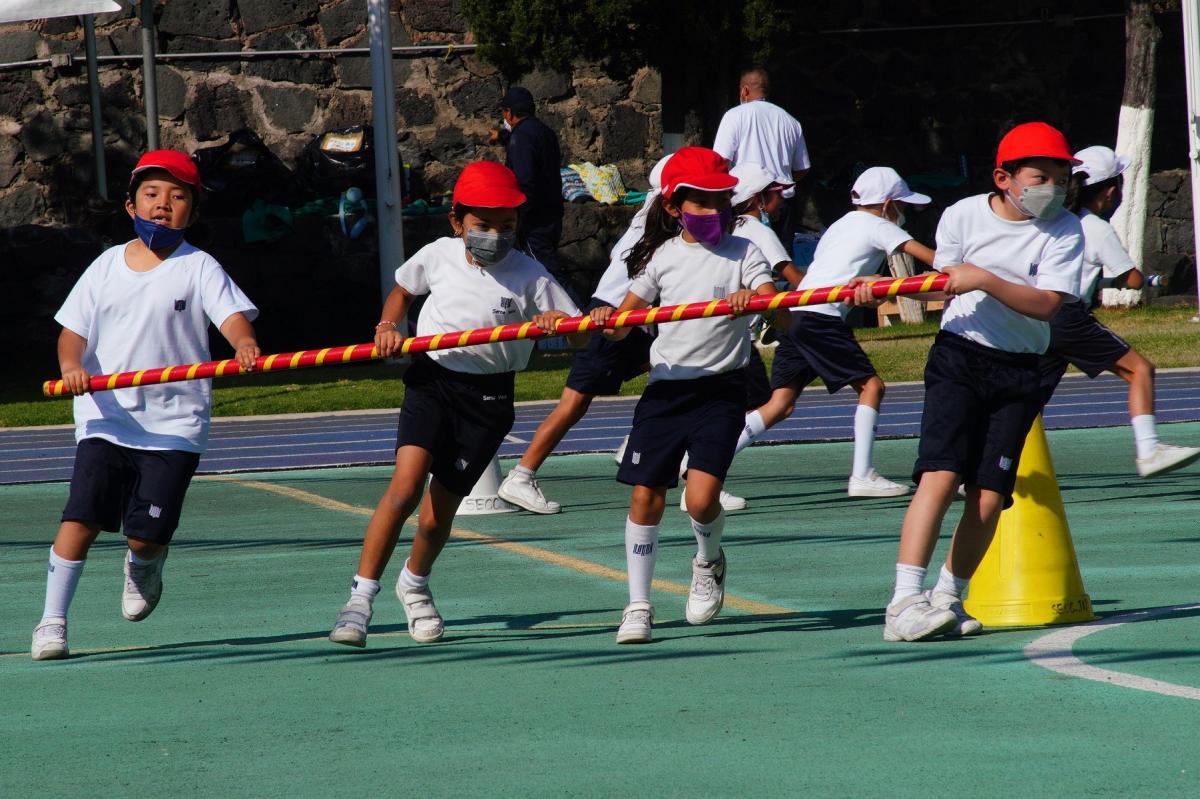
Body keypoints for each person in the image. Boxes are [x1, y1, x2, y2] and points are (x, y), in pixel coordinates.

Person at [328, 161, 585, 648]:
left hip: (488, 398)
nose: (495, 235)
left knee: (435, 516)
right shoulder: (439, 255)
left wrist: (557, 321)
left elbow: (573, 328)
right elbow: (403, 290)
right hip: (432, 380)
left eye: (506, 226)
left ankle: (416, 585)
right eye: (483, 225)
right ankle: (359, 600)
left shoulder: (529, 273)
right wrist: (388, 327)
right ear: (457, 222)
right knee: (403, 489)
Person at [31, 149, 260, 661]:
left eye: (178, 197)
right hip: (106, 418)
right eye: (152, 195)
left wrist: (242, 342)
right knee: (81, 518)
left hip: (174, 424)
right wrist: (73, 367)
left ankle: (145, 564)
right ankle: (51, 621)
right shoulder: (105, 266)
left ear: (192, 213)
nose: (163, 206)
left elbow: (232, 318)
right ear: (130, 205)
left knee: (144, 537)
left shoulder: (199, 267)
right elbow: (72, 334)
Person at [870, 122, 1084, 642]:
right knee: (939, 476)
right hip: (960, 357)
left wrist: (985, 277)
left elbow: (1048, 304)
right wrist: (877, 289)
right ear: (1004, 178)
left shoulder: (1066, 229)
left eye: (1061, 178)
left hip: (1020, 369)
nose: (1052, 187)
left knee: (989, 494)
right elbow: (938, 288)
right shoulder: (963, 215)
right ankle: (903, 601)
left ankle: (948, 595)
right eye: (1040, 176)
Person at [590, 147, 775, 644]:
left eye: (722, 203)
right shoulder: (661, 257)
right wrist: (609, 322)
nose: (715, 213)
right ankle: (638, 605)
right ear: (674, 208)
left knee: (701, 498)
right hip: (667, 389)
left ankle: (708, 561)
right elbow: (625, 320)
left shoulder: (744, 251)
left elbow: (765, 290)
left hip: (722, 388)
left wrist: (751, 298)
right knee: (645, 495)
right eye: (703, 204)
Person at [729, 167, 935, 499]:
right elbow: (935, 261)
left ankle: (705, 464)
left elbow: (852, 286)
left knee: (780, 403)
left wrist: (878, 291)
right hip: (821, 318)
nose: (904, 211)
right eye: (901, 204)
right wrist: (970, 271)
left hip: (798, 315)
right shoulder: (878, 225)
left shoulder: (840, 225)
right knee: (872, 387)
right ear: (886, 204)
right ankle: (863, 474)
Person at [496, 156, 669, 515]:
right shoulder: (661, 223)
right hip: (613, 314)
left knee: (671, 364)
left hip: (630, 318)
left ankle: (640, 443)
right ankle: (522, 475)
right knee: (573, 403)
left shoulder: (655, 217)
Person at [1039, 145, 1200, 477]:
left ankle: (975, 468)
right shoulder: (1095, 227)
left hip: (1039, 316)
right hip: (1069, 317)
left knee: (1026, 399)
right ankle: (1149, 449)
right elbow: (1133, 277)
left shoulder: (1056, 223)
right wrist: (1139, 280)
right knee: (1140, 370)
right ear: (1110, 190)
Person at [713, 67, 811, 249]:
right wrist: (781, 178)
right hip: (782, 200)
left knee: (745, 258)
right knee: (782, 264)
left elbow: (720, 162)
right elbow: (802, 168)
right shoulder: (790, 121)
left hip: (747, 201)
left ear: (744, 90)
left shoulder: (734, 116)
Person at [489, 86, 566, 284]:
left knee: (548, 276)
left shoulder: (521, 136)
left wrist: (518, 219)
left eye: (505, 112)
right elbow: (526, 146)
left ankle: (578, 312)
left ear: (510, 113)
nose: (505, 117)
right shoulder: (544, 132)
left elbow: (525, 181)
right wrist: (502, 137)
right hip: (552, 214)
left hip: (534, 221)